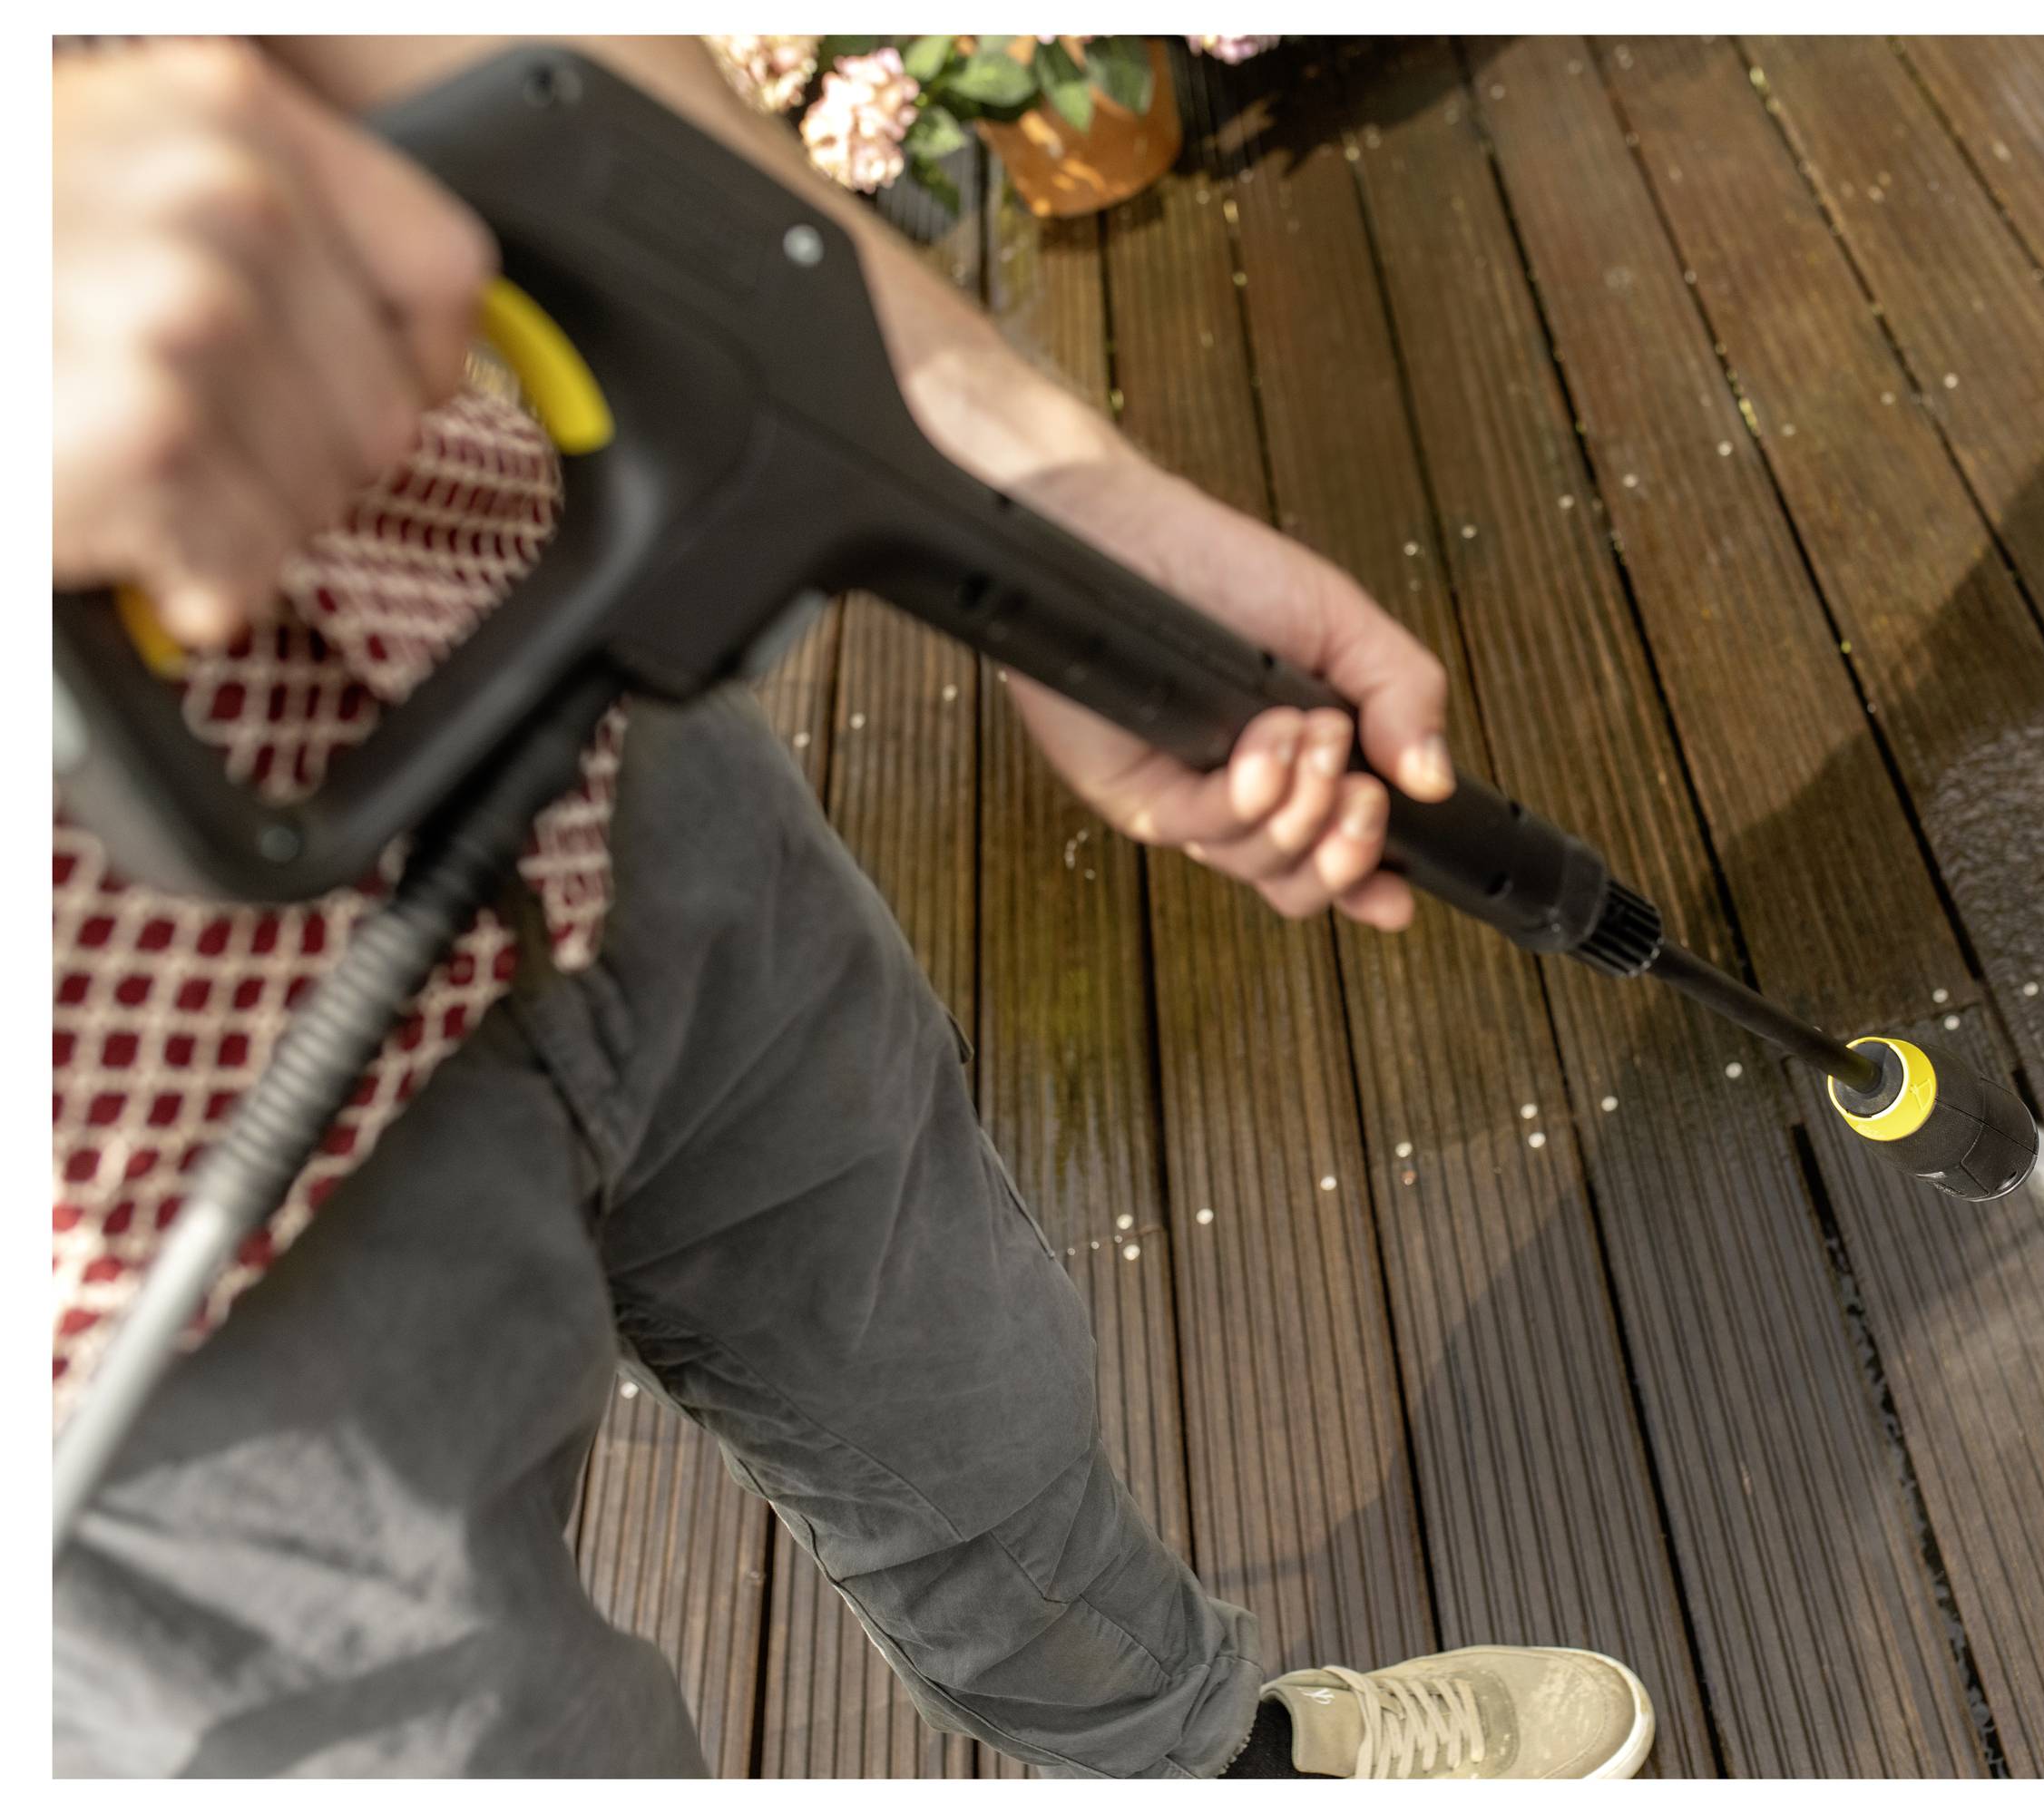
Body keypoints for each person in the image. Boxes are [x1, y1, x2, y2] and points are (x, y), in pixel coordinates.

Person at [50, 35, 1656, 1780]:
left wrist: (1043, 501)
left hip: (559, 699)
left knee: (962, 1387)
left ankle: (1204, 1761)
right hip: (127, 1259)